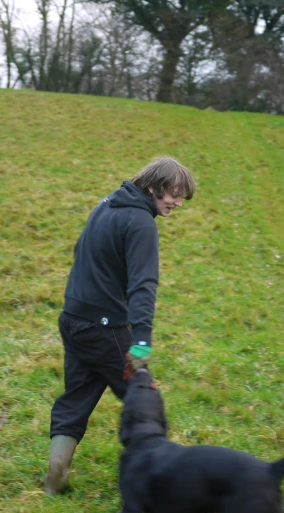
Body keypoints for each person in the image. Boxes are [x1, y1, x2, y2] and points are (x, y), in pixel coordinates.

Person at [44, 156, 196, 495]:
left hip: (73, 320)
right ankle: (166, 485)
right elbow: (144, 287)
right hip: (106, 328)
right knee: (146, 404)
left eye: (182, 197)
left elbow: (79, 249)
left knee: (77, 396)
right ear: (153, 186)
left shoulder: (107, 203)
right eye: (173, 193)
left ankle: (55, 476)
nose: (177, 203)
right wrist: (141, 342)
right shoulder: (142, 223)